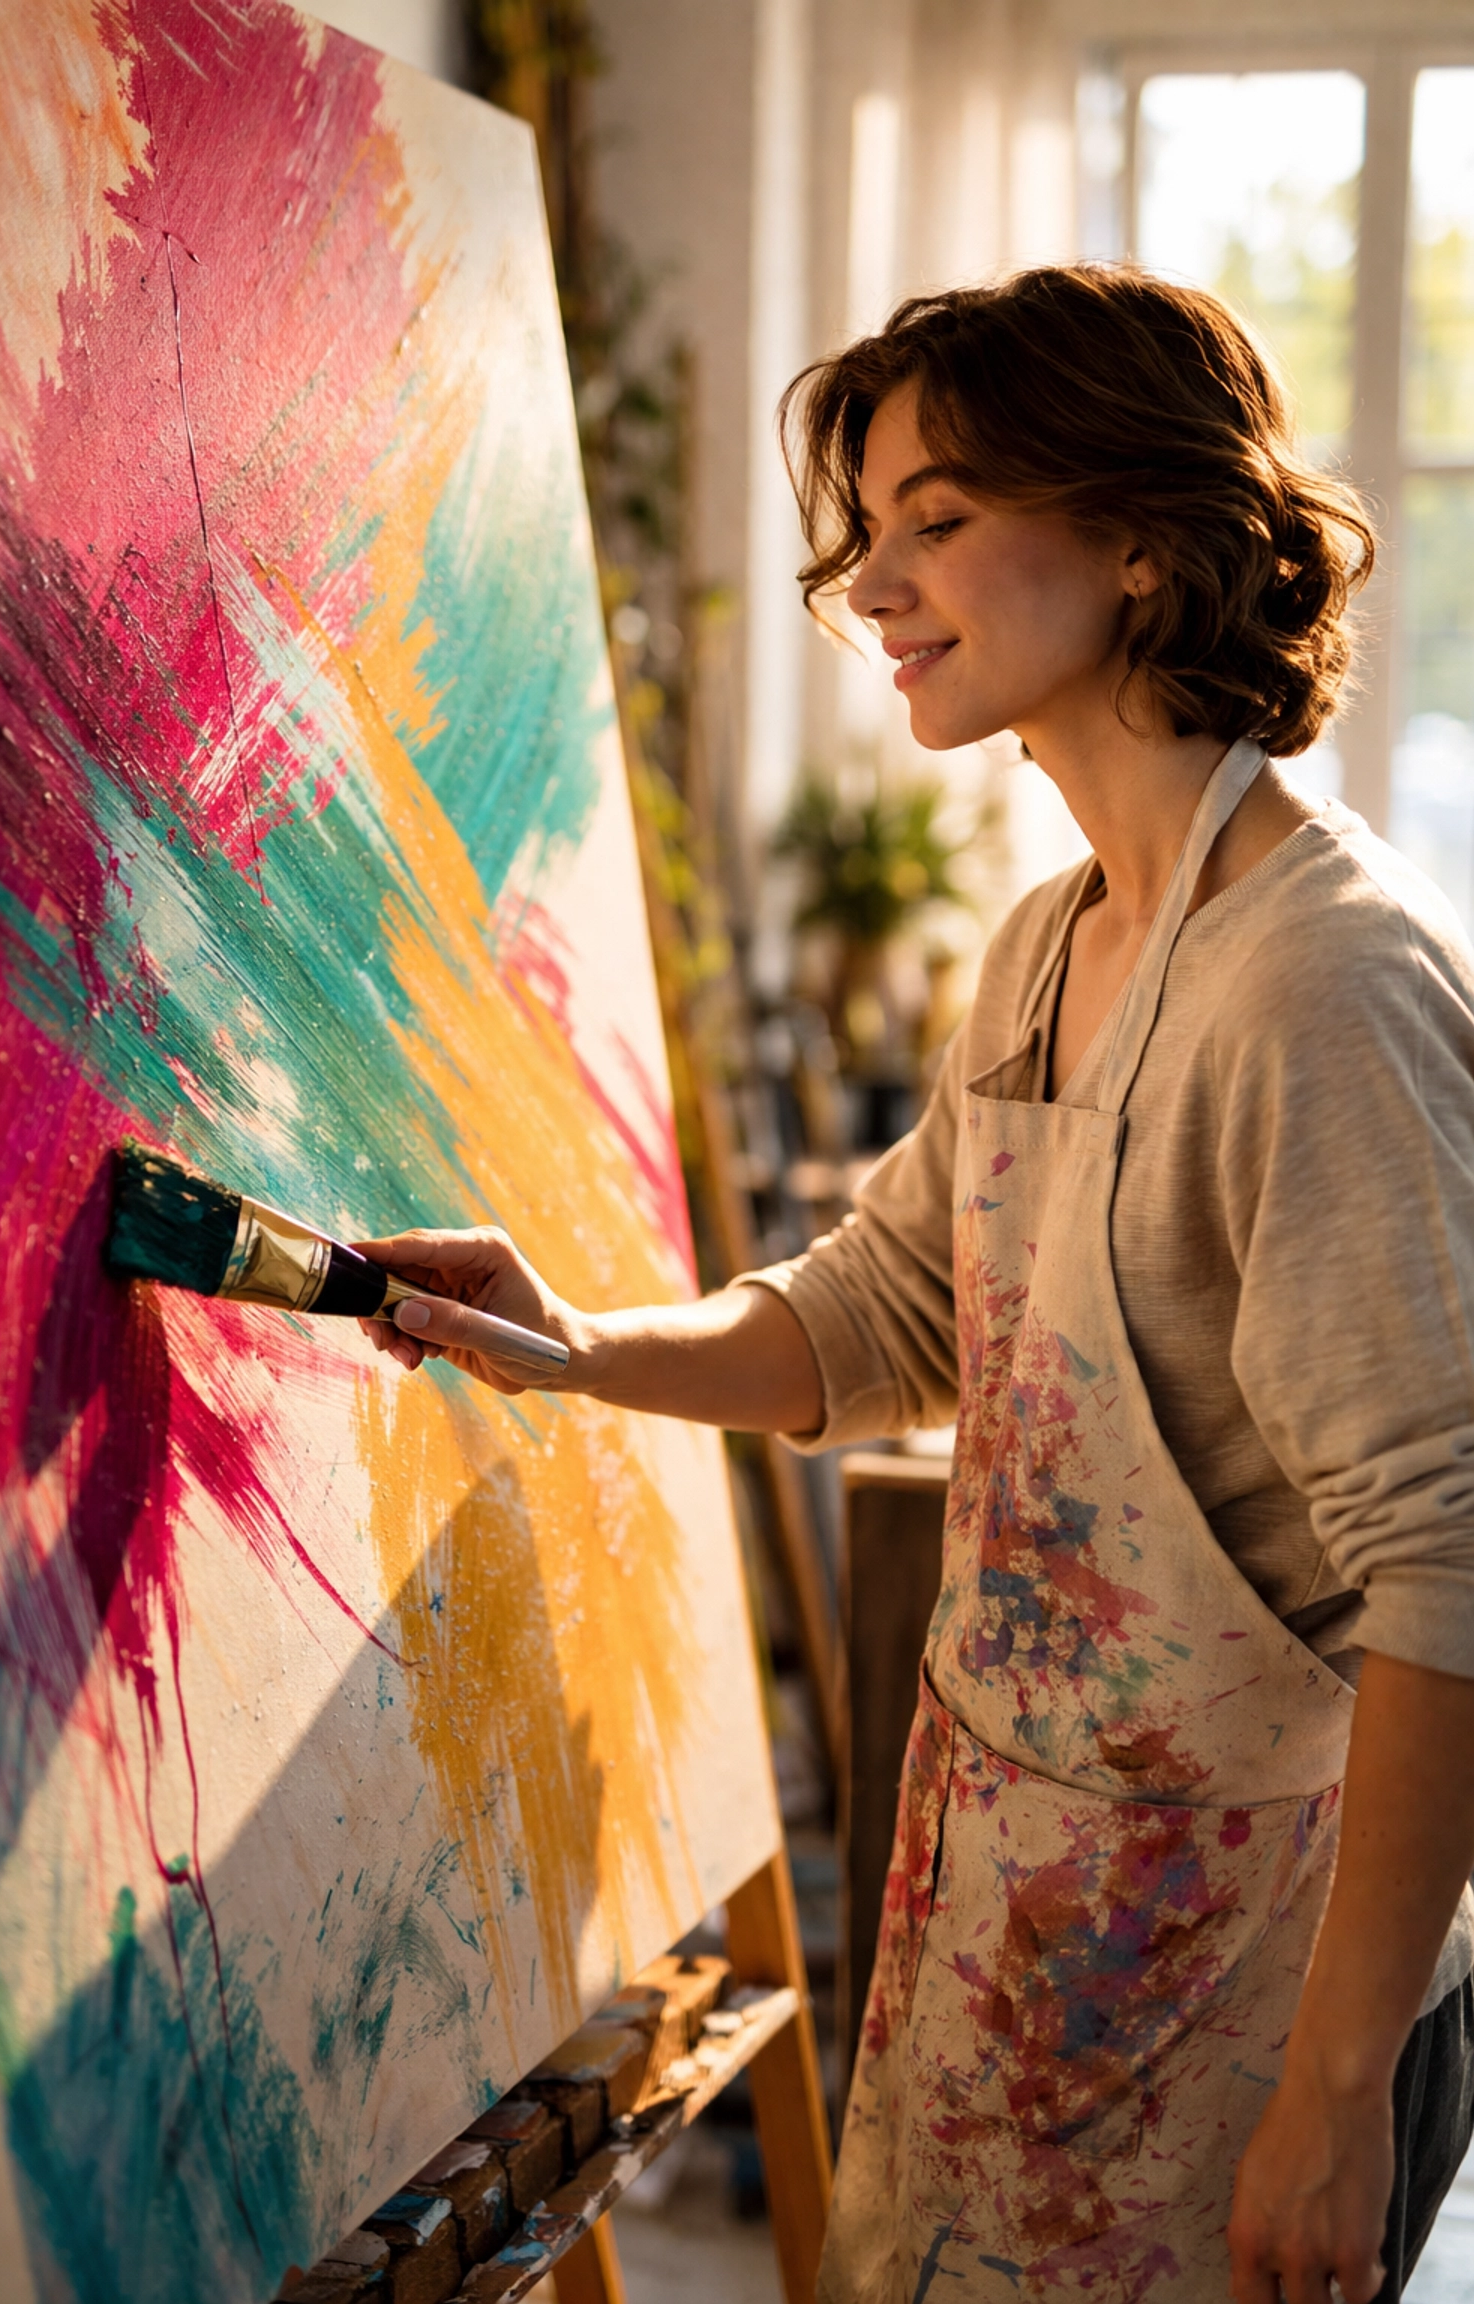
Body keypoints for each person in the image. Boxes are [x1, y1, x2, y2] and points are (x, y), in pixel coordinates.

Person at [358, 266, 1474, 2304]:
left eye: (939, 521)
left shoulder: (1319, 983)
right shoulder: (1053, 939)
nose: (873, 586)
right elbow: (877, 1316)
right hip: (1005, 1929)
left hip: (1235, 1991)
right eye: (866, 534)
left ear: (1146, 538)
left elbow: (1456, 1572)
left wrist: (1339, 2092)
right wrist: (578, 1344)